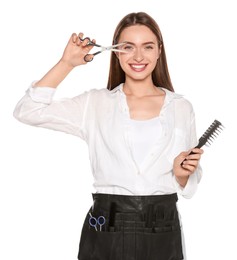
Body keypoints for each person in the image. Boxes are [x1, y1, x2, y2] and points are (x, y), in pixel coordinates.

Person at [13, 12, 203, 260]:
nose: (138, 56)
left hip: (163, 229)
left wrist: (182, 175)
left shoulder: (181, 107)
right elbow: (27, 110)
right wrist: (66, 64)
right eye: (127, 47)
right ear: (115, 51)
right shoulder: (95, 104)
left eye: (147, 46)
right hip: (106, 230)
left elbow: (190, 184)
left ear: (159, 50)